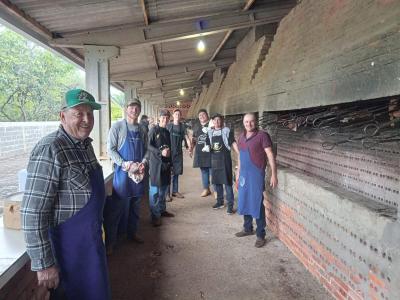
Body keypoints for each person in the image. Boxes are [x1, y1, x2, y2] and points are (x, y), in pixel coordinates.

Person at [21, 89, 110, 299]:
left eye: (90, 113)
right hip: (69, 251)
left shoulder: (84, 146)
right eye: (78, 113)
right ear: (63, 116)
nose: (87, 120)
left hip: (91, 243)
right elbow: (32, 212)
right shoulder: (51, 148)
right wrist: (44, 264)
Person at [105, 98, 148, 254]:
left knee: (136, 206)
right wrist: (125, 164)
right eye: (131, 107)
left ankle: (133, 233)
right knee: (117, 208)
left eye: (137, 107)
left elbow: (147, 149)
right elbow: (110, 149)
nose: (134, 110)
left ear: (140, 110)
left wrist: (143, 162)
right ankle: (111, 242)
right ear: (126, 109)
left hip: (139, 174)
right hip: (123, 173)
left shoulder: (142, 129)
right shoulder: (117, 127)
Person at [235, 113, 278, 248]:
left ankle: (260, 234)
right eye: (246, 122)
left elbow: (270, 154)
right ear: (243, 123)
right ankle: (247, 228)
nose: (249, 124)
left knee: (257, 203)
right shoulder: (241, 137)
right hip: (244, 174)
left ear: (255, 122)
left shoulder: (262, 136)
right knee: (244, 199)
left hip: (256, 174)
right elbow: (240, 158)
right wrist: (237, 174)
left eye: (251, 121)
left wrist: (273, 174)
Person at [205, 114, 239, 214]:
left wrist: (239, 153)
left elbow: (232, 142)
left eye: (219, 120)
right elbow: (207, 144)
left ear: (222, 121)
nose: (217, 122)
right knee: (217, 183)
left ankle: (230, 206)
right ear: (212, 121)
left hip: (225, 161)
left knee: (228, 183)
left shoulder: (226, 131)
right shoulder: (210, 132)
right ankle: (220, 202)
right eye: (215, 120)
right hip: (214, 161)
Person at [148, 109, 175, 226]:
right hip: (156, 165)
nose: (165, 120)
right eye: (163, 118)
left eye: (167, 118)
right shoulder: (153, 130)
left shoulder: (167, 132)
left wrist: (171, 163)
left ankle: (162, 210)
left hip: (166, 165)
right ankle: (155, 216)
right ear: (159, 118)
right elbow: (147, 145)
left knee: (164, 190)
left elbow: (169, 148)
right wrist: (160, 152)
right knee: (154, 192)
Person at [166, 109, 192, 199]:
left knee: (176, 173)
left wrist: (190, 147)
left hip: (178, 152)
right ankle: (167, 194)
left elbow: (186, 137)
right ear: (173, 115)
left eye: (178, 114)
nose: (177, 115)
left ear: (180, 116)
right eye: (175, 114)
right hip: (169, 153)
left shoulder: (182, 127)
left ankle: (175, 191)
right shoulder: (169, 126)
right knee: (168, 173)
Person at [191, 109, 213, 197]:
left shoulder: (211, 124)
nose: (202, 116)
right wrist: (191, 148)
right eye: (200, 115)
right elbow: (193, 139)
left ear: (207, 115)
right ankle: (206, 189)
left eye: (203, 114)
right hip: (200, 153)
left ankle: (215, 191)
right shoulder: (196, 126)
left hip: (211, 152)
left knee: (213, 172)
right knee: (204, 172)